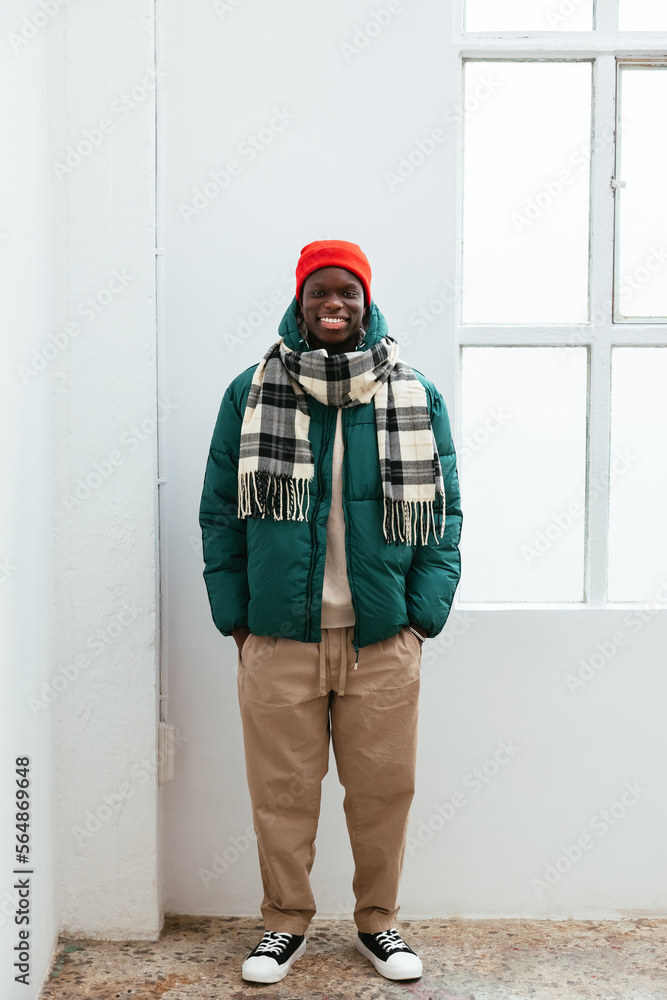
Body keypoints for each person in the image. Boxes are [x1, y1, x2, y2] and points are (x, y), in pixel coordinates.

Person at [199, 240, 462, 985]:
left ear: (366, 299)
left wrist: (423, 616)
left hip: (381, 639)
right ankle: (283, 924)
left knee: (383, 792)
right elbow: (220, 512)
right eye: (320, 293)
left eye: (346, 292)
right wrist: (237, 620)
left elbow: (444, 515)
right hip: (279, 637)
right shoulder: (251, 390)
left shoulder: (413, 393)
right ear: (300, 302)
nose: (334, 305)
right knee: (280, 794)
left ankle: (378, 923)